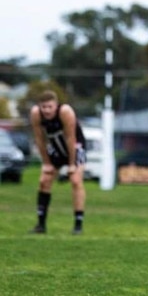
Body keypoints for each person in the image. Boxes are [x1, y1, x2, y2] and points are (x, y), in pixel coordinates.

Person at [29, 90, 87, 235]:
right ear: (40, 107)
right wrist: (46, 163)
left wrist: (72, 164)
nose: (47, 110)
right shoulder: (36, 114)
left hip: (75, 147)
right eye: (44, 107)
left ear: (56, 105)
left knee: (75, 180)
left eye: (50, 106)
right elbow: (39, 139)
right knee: (44, 180)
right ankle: (41, 225)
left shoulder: (65, 112)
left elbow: (70, 138)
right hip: (55, 147)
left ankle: (78, 224)